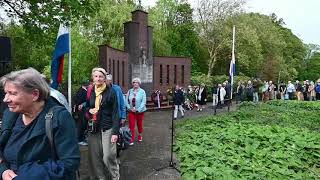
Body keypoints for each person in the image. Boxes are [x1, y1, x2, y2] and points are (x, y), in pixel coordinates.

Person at [0, 68, 80, 179]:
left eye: (13, 93)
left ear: (35, 94)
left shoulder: (59, 117)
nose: (5, 99)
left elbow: (69, 164)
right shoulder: (10, 115)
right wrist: (3, 170)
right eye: (6, 93)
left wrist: (25, 177)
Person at [86, 67, 120, 180]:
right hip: (94, 127)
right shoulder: (90, 90)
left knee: (108, 156)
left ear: (105, 78)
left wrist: (115, 133)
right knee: (94, 158)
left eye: (101, 76)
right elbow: (87, 107)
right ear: (93, 78)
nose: (98, 78)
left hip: (108, 127)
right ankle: (100, 178)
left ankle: (115, 177)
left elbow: (115, 113)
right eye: (96, 76)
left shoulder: (111, 92)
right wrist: (88, 111)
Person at [126, 78, 146, 145]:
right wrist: (129, 108)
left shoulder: (142, 91)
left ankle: (140, 134)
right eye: (134, 82)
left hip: (140, 112)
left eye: (137, 82)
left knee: (139, 124)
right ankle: (131, 138)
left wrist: (138, 109)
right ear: (132, 84)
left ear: (139, 83)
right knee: (131, 125)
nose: (135, 83)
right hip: (131, 111)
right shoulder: (129, 91)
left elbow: (143, 102)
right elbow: (126, 101)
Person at [74, 80, 90, 145]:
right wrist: (81, 105)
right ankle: (80, 139)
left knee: (81, 125)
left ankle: (81, 138)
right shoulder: (83, 92)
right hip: (81, 111)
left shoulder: (80, 90)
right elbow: (79, 101)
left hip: (80, 110)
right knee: (81, 125)